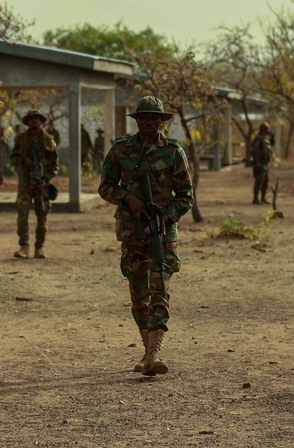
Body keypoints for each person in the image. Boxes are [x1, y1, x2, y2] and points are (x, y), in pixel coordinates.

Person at [98, 95, 193, 377]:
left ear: (161, 121)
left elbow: (186, 196)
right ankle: (146, 351)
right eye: (144, 118)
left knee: (160, 286)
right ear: (137, 120)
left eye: (154, 118)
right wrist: (127, 198)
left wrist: (165, 214)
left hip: (162, 231)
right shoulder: (120, 149)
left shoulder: (174, 152)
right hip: (131, 230)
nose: (149, 122)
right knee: (138, 293)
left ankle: (155, 351)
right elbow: (105, 186)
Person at [10, 109, 59, 259]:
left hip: (42, 184)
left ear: (41, 121)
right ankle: (24, 247)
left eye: (36, 118)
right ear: (28, 122)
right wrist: (23, 162)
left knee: (42, 216)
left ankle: (39, 247)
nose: (34, 121)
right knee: (22, 215)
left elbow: (54, 164)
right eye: (31, 119)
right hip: (25, 183)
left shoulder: (48, 140)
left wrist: (46, 179)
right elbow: (13, 159)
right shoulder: (20, 140)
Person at [249, 123, 274, 204]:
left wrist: (272, 137)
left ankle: (263, 198)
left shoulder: (265, 138)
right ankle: (255, 199)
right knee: (259, 181)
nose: (268, 131)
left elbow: (272, 144)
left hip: (265, 164)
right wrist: (257, 162)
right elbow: (254, 151)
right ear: (263, 130)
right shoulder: (258, 138)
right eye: (267, 129)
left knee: (265, 182)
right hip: (259, 163)